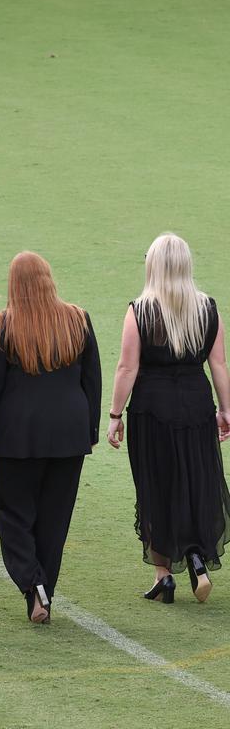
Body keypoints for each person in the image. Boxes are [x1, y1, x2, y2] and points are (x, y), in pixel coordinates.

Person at [0, 252, 101, 623]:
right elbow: (92, 380)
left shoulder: (5, 324)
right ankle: (42, 594)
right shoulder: (78, 319)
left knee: (10, 510)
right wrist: (90, 431)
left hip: (18, 436)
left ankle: (32, 582)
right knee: (54, 520)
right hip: (69, 436)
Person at [107, 233, 230, 604]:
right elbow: (219, 364)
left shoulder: (140, 310)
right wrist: (226, 410)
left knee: (155, 485)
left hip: (152, 411)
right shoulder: (208, 308)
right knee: (195, 481)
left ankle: (164, 574)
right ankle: (196, 555)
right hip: (196, 407)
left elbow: (127, 367)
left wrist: (114, 414)